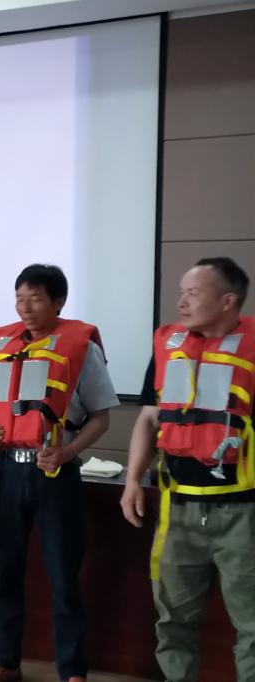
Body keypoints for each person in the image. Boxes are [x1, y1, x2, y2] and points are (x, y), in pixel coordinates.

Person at [0, 264, 118, 682]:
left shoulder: (79, 349)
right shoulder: (2, 346)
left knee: (63, 578)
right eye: (19, 299)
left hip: (55, 476)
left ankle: (72, 671)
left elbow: (102, 418)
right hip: (5, 473)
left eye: (35, 299)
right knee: (3, 573)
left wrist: (67, 452)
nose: (25, 308)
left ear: (58, 302)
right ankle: (5, 661)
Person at [120, 257, 255, 682]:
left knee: (253, 626)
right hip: (177, 509)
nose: (181, 302)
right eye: (181, 292)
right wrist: (132, 480)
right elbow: (148, 418)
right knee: (173, 622)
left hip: (243, 513)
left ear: (228, 300)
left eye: (193, 293)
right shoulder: (168, 346)